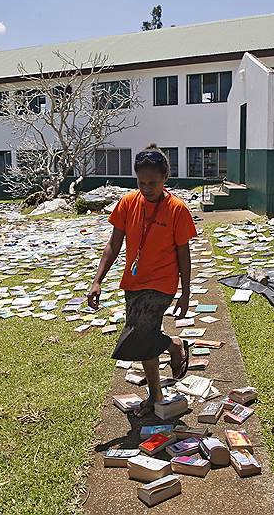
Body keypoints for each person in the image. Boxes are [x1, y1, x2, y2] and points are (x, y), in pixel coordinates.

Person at [88, 144, 198, 417]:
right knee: (144, 339)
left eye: (153, 182)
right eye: (141, 182)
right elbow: (113, 245)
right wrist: (97, 280)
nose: (147, 188)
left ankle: (172, 348)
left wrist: (185, 292)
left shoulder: (177, 209)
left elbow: (183, 253)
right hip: (133, 282)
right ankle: (157, 391)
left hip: (162, 283)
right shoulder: (127, 203)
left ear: (165, 179)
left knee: (141, 335)